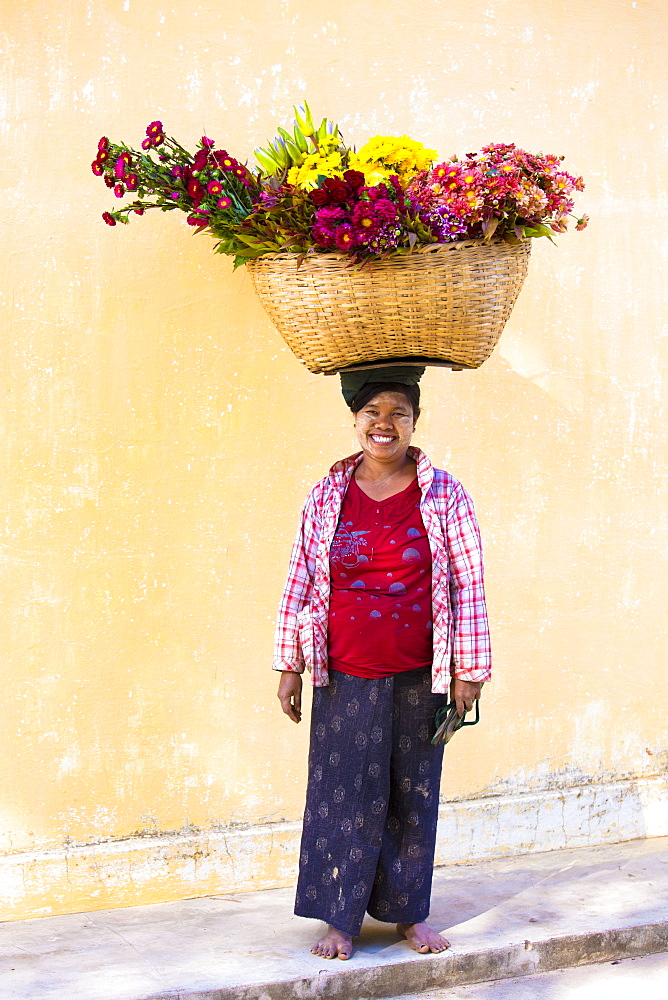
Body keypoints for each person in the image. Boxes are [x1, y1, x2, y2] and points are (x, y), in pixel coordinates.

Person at [274, 368, 491, 961]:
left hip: (420, 673)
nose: (384, 424)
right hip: (342, 673)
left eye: (398, 412)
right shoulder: (326, 495)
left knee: (411, 795)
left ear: (415, 422)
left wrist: (469, 671)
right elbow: (299, 580)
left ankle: (408, 917)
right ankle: (339, 920)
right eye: (372, 412)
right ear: (355, 422)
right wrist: (289, 665)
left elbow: (468, 585)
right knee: (339, 795)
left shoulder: (444, 493)